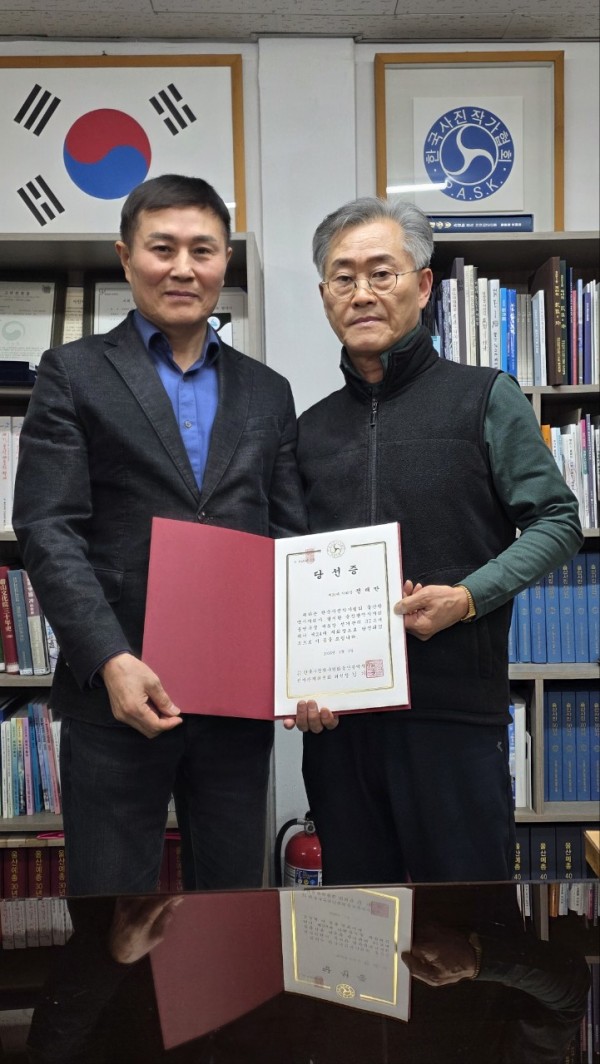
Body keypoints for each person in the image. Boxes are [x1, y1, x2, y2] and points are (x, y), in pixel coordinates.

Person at [12, 173, 306, 895]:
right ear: (126, 256)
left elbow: (290, 536)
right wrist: (111, 660)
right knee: (113, 912)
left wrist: (305, 667)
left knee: (230, 910)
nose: (182, 268)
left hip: (237, 701)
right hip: (116, 693)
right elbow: (48, 526)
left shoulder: (268, 391)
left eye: (202, 250)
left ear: (225, 261)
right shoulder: (73, 373)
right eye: (162, 247)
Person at [287, 196, 583, 884]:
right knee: (363, 928)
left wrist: (469, 597)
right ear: (325, 296)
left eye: (381, 273)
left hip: (454, 722)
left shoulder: (484, 397)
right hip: (340, 731)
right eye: (343, 277)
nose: (362, 293)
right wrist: (294, 684)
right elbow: (289, 571)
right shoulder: (308, 430)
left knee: (466, 927)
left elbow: (557, 520)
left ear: (423, 286)